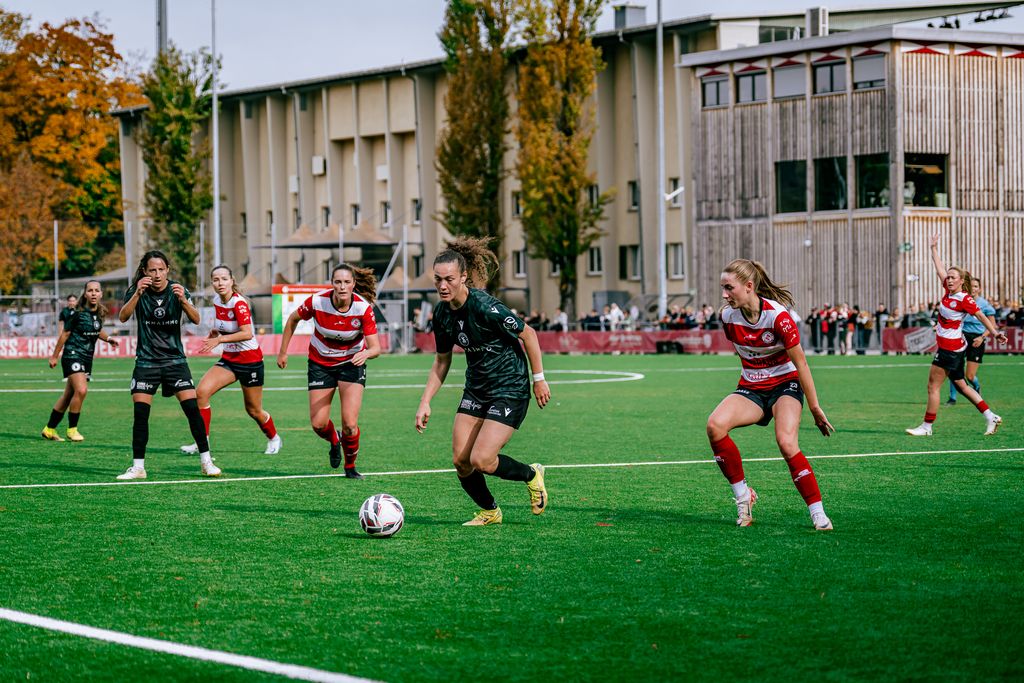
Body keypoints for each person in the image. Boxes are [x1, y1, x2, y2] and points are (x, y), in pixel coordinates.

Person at [415, 237, 550, 526]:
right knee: (461, 462)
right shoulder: (442, 314)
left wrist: (538, 379)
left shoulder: (486, 307)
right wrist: (425, 401)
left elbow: (528, 334)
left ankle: (531, 474)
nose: (442, 286)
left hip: (510, 387)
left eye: (449, 279)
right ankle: (490, 511)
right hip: (476, 390)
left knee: (482, 460)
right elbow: (442, 361)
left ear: (463, 277)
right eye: (438, 279)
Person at [706, 259, 835, 531]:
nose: (724, 295)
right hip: (752, 387)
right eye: (723, 288)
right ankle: (744, 496)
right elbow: (745, 352)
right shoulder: (728, 317)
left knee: (786, 442)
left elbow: (801, 364)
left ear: (749, 286)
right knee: (715, 426)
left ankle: (818, 512)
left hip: (784, 385)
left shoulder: (778, 316)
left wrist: (814, 408)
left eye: (729, 288)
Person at [116, 250, 219, 480]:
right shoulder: (137, 290)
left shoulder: (177, 290)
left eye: (161, 269)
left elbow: (196, 319)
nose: (157, 274)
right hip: (146, 362)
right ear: (145, 271)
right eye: (152, 270)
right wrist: (137, 294)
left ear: (167, 270)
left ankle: (206, 462)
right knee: (140, 415)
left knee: (192, 411)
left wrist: (183, 300)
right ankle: (138, 468)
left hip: (175, 361)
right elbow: (123, 317)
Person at [277, 263, 380, 477]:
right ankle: (335, 440)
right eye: (337, 282)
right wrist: (283, 352)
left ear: (353, 284)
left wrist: (366, 354)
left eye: (346, 282)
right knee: (318, 424)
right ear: (331, 283)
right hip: (320, 363)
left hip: (351, 364)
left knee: (350, 424)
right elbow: (293, 319)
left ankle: (350, 467)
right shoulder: (317, 301)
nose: (342, 286)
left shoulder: (363, 308)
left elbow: (376, 348)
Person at [906, 235, 1006, 436]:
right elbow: (939, 269)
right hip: (954, 347)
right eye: (948, 277)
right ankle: (991, 416)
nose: (949, 279)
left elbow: (981, 315)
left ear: (962, 281)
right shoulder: (949, 292)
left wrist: (995, 333)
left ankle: (926, 427)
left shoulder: (963, 299)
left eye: (953, 277)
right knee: (961, 385)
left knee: (933, 387)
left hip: (950, 349)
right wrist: (933, 248)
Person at [180, 265, 282, 456]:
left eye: (224, 279)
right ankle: (202, 442)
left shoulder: (239, 303)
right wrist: (215, 332)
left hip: (250, 361)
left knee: (253, 410)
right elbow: (224, 324)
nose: (220, 283)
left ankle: (274, 438)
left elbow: (247, 333)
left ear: (232, 281)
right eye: (216, 280)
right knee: (201, 393)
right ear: (212, 283)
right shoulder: (217, 300)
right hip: (229, 359)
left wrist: (219, 340)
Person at [42, 280, 118, 442]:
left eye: (96, 290)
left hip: (87, 357)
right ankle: (72, 430)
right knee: (82, 390)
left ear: (101, 294)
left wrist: (109, 339)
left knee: (68, 395)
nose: (93, 293)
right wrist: (54, 356)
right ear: (85, 294)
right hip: (73, 354)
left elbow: (97, 330)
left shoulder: (100, 313)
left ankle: (49, 429)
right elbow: (65, 334)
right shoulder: (77, 313)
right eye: (90, 290)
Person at [946, 277, 995, 406]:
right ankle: (952, 398)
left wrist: (982, 337)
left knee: (970, 376)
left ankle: (976, 387)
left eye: (975, 286)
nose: (973, 289)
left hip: (976, 339)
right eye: (971, 286)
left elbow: (992, 325)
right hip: (960, 337)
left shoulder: (984, 304)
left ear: (980, 289)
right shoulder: (961, 300)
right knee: (954, 368)